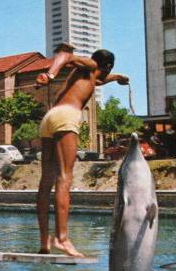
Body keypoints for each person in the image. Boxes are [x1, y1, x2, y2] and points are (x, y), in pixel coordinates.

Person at [35, 44, 129, 257]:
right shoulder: (92, 64)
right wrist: (50, 74)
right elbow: (65, 55)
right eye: (108, 69)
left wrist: (119, 77)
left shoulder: (87, 75)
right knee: (64, 177)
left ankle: (44, 241)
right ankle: (62, 239)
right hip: (67, 117)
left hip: (50, 118)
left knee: (46, 180)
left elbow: (102, 79)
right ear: (105, 64)